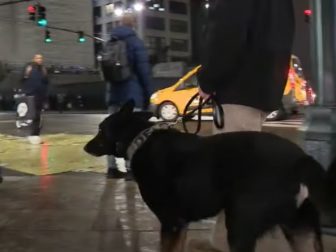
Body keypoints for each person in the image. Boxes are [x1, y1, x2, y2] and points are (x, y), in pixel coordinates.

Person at [197, 0, 295, 250]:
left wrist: (207, 80)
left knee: (234, 177)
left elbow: (227, 35)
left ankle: (231, 244)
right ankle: (222, 240)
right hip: (260, 85)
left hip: (237, 87)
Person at [104, 13, 151, 179]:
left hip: (113, 95)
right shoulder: (135, 42)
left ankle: (111, 168)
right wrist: (147, 94)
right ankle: (131, 169)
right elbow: (143, 72)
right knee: (132, 133)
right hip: (132, 94)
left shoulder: (110, 42)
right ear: (133, 24)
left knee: (112, 132)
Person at [22, 54, 49, 145]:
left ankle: (36, 134)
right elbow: (23, 79)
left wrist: (45, 97)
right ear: (34, 59)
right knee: (33, 115)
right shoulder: (29, 68)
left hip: (40, 95)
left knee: (38, 115)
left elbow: (46, 83)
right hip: (31, 95)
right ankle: (32, 134)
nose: (39, 59)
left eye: (41, 58)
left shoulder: (43, 69)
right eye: (37, 58)